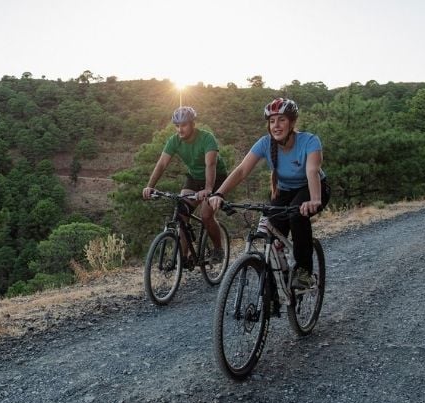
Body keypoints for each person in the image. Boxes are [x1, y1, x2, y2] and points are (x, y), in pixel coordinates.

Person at [208, 98, 331, 288]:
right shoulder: (265, 144)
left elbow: (312, 171)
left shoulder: (310, 141)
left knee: (297, 216)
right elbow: (242, 171)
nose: (276, 125)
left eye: (281, 120)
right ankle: (275, 284)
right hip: (284, 191)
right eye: (272, 121)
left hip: (313, 188)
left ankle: (304, 272)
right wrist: (219, 193)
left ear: (292, 122)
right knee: (270, 233)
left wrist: (314, 200)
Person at [142, 106, 228, 265]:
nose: (180, 129)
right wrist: (150, 186)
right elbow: (161, 164)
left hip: (216, 178)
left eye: (184, 125)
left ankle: (218, 249)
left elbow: (211, 164)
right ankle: (184, 257)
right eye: (177, 126)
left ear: (193, 124)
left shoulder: (207, 138)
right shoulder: (174, 141)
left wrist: (208, 190)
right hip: (194, 177)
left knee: (206, 215)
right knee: (182, 213)